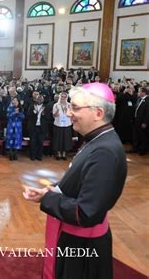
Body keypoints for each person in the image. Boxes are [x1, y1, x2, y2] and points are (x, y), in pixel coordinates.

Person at [23, 83, 127, 279]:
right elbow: (79, 182)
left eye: (76, 108)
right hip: (76, 239)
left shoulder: (105, 151)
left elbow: (85, 213)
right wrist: (50, 191)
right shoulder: (97, 140)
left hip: (82, 246)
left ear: (98, 113)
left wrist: (47, 199)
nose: (69, 112)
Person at [52, 92, 73, 160]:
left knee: (66, 140)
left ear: (66, 98)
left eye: (65, 97)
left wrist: (68, 111)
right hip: (58, 124)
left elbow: (71, 115)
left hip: (67, 124)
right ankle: (58, 154)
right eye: (62, 97)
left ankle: (64, 154)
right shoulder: (56, 105)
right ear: (60, 97)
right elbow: (54, 115)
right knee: (58, 139)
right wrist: (57, 112)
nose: (63, 98)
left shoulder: (69, 105)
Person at [27, 95, 48, 161]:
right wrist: (34, 112)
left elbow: (48, 117)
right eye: (38, 99)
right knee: (33, 142)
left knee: (40, 142)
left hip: (41, 127)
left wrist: (44, 115)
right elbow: (28, 115)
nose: (39, 100)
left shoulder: (45, 107)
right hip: (33, 126)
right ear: (36, 99)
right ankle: (32, 156)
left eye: (41, 99)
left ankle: (39, 156)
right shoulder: (32, 106)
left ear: (43, 100)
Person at [130, 86, 148, 155]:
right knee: (135, 135)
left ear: (143, 92)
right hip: (136, 120)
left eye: (139, 91)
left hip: (142, 122)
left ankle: (142, 150)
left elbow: (147, 113)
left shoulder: (147, 100)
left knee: (142, 136)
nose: (138, 92)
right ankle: (135, 148)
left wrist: (145, 122)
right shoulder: (139, 99)